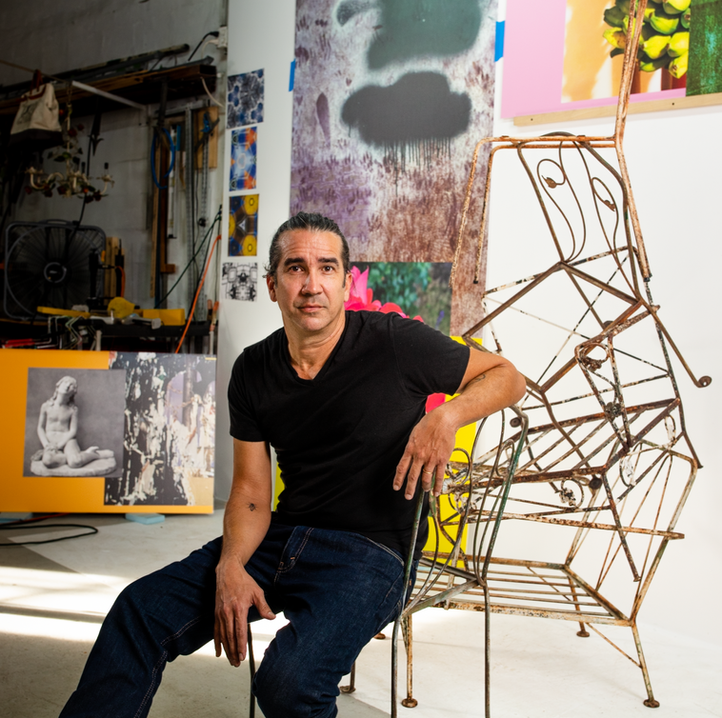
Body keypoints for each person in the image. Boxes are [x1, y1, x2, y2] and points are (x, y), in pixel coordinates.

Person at [58, 212, 525, 718]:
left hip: (373, 553)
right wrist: (232, 565)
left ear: (346, 282)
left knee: (289, 680)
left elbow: (507, 376)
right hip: (283, 537)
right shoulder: (254, 369)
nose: (312, 284)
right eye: (296, 268)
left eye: (327, 268)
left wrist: (447, 416)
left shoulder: (394, 342)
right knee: (139, 611)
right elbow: (251, 492)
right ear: (272, 285)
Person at [35, 375, 115, 471]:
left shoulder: (72, 410)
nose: (67, 386)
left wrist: (59, 445)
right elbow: (40, 428)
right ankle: (76, 455)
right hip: (50, 442)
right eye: (65, 382)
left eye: (71, 385)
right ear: (58, 386)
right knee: (47, 461)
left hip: (67, 441)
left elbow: (73, 431)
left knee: (75, 462)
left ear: (73, 392)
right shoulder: (46, 406)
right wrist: (46, 445)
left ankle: (95, 455)